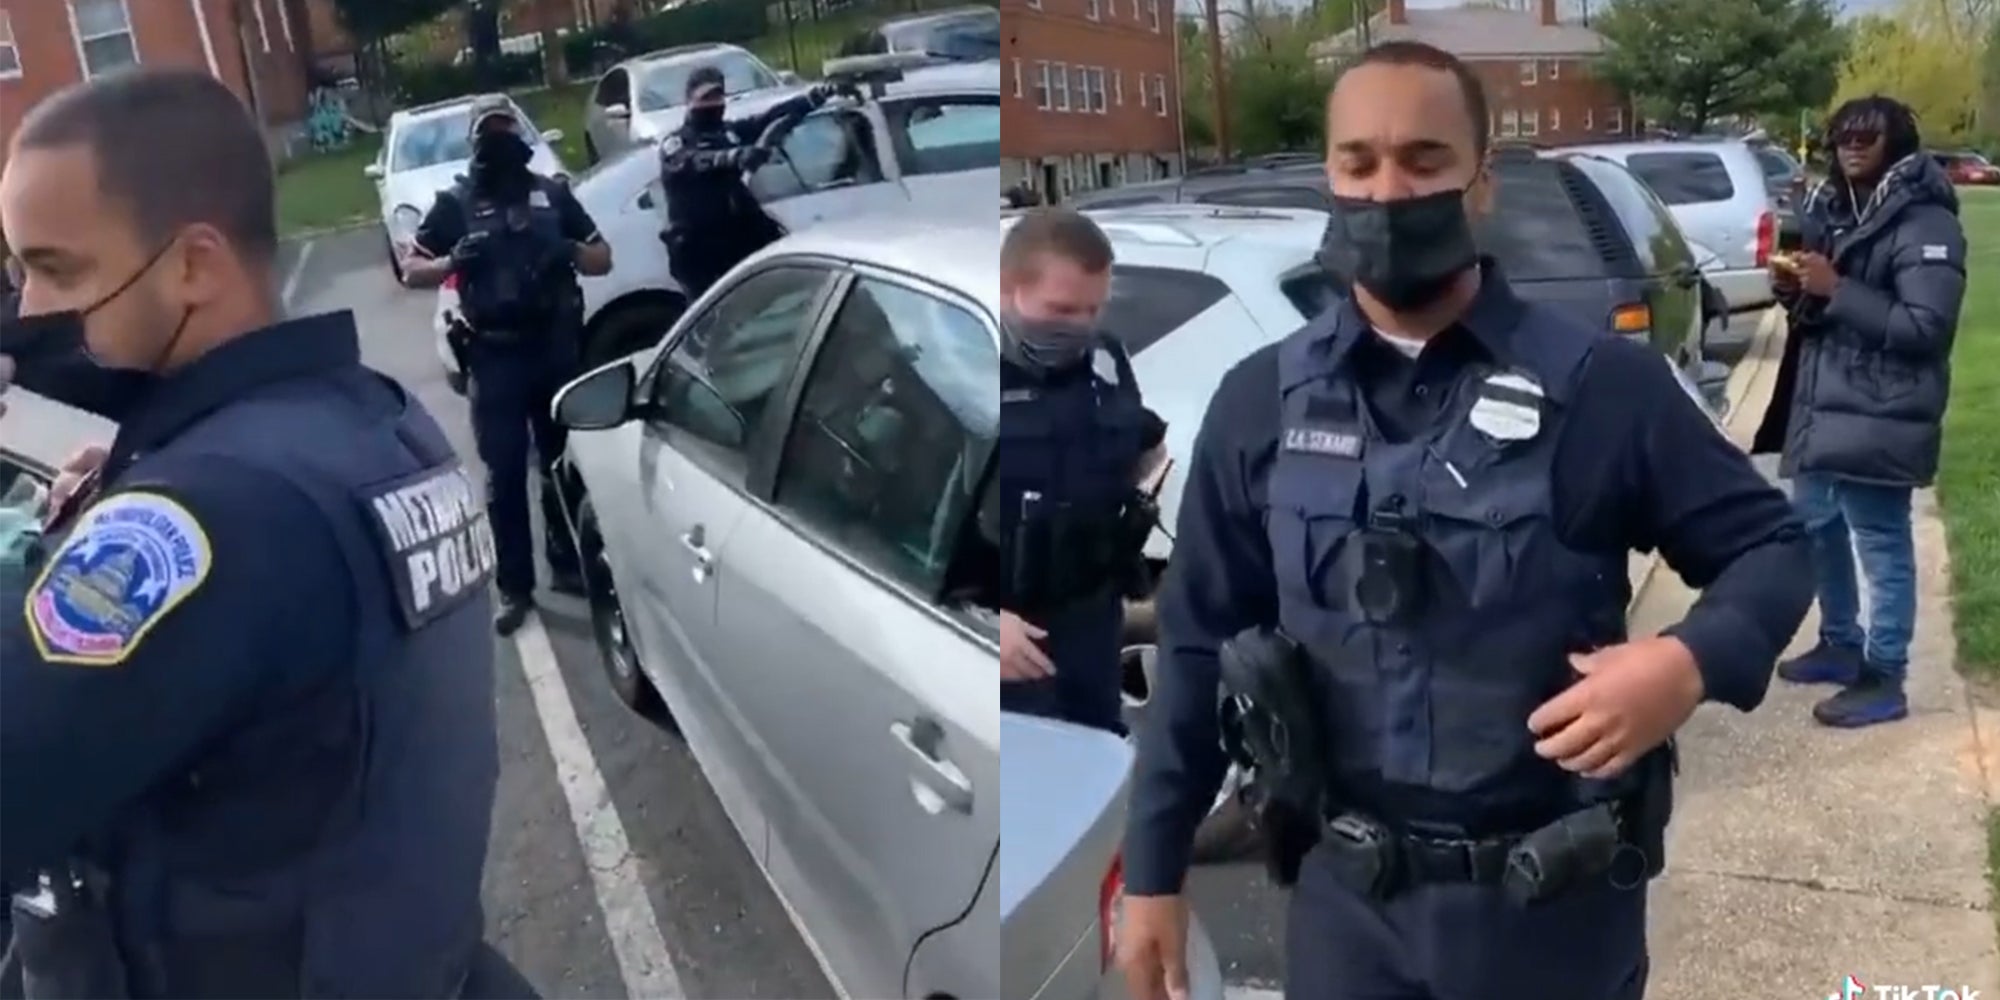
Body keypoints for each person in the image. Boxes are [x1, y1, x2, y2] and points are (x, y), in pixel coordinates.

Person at [1115, 42, 1814, 1000]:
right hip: (1347, 915)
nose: (1388, 190)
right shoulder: (1260, 404)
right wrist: (1153, 871)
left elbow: (1773, 548)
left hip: (1549, 913)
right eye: (1358, 163)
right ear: (1330, 175)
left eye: (1425, 160)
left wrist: (1686, 664)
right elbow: (1197, 646)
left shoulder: (1602, 391)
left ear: (1480, 183)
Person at [0, 68, 527, 998]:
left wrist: (132, 516)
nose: (29, 311)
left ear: (193, 264)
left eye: (56, 269)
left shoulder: (207, 512)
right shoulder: (381, 425)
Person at [1752, 95, 1967, 729]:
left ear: (1895, 144)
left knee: (1879, 540)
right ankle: (1840, 643)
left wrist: (1837, 290)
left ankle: (1885, 675)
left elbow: (1926, 327)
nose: (1850, 146)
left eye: (1866, 137)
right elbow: (1822, 307)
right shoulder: (1835, 208)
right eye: (1843, 135)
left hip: (1884, 407)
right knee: (1815, 523)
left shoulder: (1926, 222)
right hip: (1823, 400)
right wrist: (1798, 292)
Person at [402, 94, 613, 636]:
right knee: (503, 477)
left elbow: (602, 257)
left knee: (561, 463)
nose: (499, 139)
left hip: (552, 346)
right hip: (493, 356)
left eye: (506, 128)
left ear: (520, 135)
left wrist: (566, 250)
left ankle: (568, 564)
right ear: (475, 142)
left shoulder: (552, 194)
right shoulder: (456, 203)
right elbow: (411, 268)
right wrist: (453, 261)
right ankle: (514, 587)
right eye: (488, 131)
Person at [998, 208, 1168, 736]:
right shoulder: (962, 363)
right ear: (1008, 291)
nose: (1081, 326)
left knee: (1098, 763)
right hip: (1013, 637)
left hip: (1092, 619)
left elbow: (1142, 440)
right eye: (1062, 309)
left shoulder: (1105, 357)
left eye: (1093, 309)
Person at [658, 66, 841, 299]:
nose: (714, 103)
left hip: (737, 242)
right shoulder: (676, 143)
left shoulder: (730, 133)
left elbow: (771, 117)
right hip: (700, 254)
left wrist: (817, 96)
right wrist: (733, 156)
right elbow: (693, 161)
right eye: (706, 97)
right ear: (689, 100)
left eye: (718, 95)